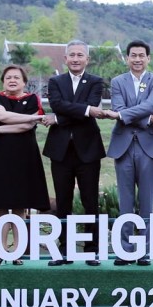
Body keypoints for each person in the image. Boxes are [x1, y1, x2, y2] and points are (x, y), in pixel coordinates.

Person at [0, 64, 52, 266]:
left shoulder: (33, 99)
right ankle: (0, 251)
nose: (12, 80)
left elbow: (26, 126)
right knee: (1, 205)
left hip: (25, 155)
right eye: (8, 77)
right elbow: (2, 116)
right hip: (0, 156)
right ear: (3, 81)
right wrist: (33, 117)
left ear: (24, 82)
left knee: (20, 206)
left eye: (16, 77)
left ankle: (16, 251)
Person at [104, 40, 153, 265]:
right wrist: (148, 118)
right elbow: (117, 108)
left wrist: (131, 116)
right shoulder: (117, 81)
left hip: (149, 146)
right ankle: (125, 251)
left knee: (147, 201)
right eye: (133, 55)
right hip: (123, 145)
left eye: (142, 55)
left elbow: (152, 104)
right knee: (125, 201)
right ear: (127, 58)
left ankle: (144, 251)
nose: (137, 59)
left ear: (148, 58)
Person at [42, 40, 107, 266]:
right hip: (60, 151)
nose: (76, 58)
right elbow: (58, 104)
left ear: (87, 59)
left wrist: (61, 117)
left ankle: (92, 251)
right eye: (72, 55)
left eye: (80, 55)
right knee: (63, 202)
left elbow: (71, 109)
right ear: (66, 59)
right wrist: (87, 110)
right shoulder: (55, 81)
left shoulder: (96, 82)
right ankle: (64, 251)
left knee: (90, 202)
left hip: (88, 150)